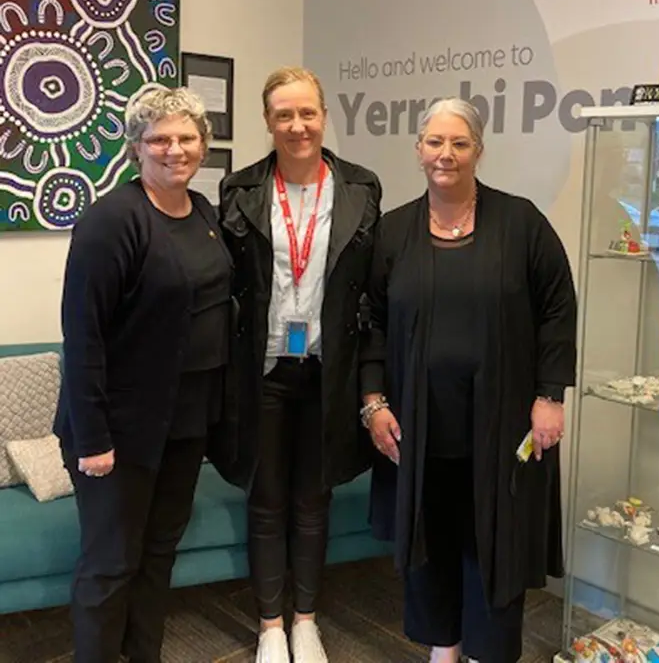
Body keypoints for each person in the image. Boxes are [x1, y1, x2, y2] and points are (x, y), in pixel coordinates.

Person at [360, 98, 577, 663]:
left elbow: (558, 308)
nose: (446, 154)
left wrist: (550, 396)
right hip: (419, 424)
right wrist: (373, 401)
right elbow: (372, 320)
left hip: (502, 425)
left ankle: (488, 651)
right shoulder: (394, 231)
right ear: (418, 149)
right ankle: (443, 648)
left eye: (459, 143)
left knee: (493, 542)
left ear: (478, 150)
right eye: (435, 142)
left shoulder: (521, 223)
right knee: (432, 538)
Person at [53, 87, 233, 663]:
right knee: (110, 564)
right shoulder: (113, 221)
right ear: (136, 147)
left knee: (159, 555)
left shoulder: (203, 212)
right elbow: (82, 337)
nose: (174, 149)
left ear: (202, 145)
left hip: (183, 424)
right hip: (119, 431)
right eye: (159, 138)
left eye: (186, 137)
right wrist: (94, 437)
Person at [217, 66, 381, 663]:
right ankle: (269, 626)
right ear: (267, 122)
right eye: (283, 114)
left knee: (314, 498)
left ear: (324, 116)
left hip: (326, 368)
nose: (297, 125)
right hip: (261, 371)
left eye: (306, 112)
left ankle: (305, 620)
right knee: (266, 499)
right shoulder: (240, 189)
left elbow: (364, 287)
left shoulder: (362, 187)